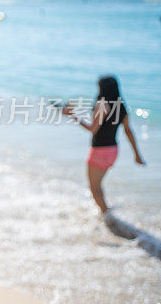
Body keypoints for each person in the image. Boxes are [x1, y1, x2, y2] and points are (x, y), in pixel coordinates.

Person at [62, 75, 145, 214]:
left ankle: (106, 215)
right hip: (113, 151)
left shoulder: (102, 105)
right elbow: (128, 131)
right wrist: (137, 154)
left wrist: (72, 115)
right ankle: (106, 211)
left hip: (99, 151)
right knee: (98, 185)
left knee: (94, 187)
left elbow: (92, 129)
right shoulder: (122, 107)